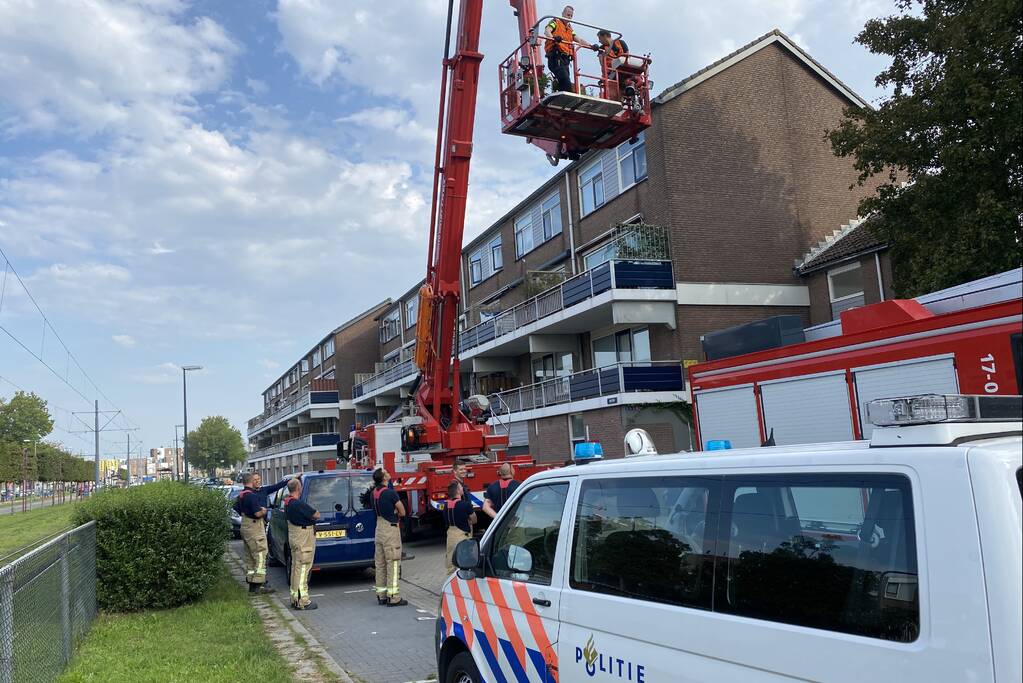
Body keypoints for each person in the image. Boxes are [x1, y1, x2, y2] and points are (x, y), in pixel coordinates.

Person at [235, 471, 297, 594]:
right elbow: (258, 513)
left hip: (247, 526)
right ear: (251, 481)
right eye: (255, 479)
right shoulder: (251, 495)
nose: (257, 481)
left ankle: (252, 583)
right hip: (255, 526)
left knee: (251, 556)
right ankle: (260, 584)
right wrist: (263, 511)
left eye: (259, 479)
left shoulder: (242, 494)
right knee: (260, 554)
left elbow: (236, 507)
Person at [371, 468, 408, 606]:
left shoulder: (373, 493)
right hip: (390, 529)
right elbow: (402, 512)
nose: (388, 473)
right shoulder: (390, 493)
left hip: (379, 528)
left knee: (380, 564)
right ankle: (393, 597)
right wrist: (395, 512)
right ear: (384, 478)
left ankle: (381, 595)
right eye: (386, 472)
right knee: (393, 562)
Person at [283, 477, 320, 610]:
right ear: (299, 488)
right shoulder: (297, 504)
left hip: (295, 536)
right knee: (303, 568)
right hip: (303, 537)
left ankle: (295, 597)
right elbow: (316, 514)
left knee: (296, 567)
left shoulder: (287, 502)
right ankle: (302, 600)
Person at [544, 5, 591, 93]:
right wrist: (553, 38)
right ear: (562, 14)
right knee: (565, 81)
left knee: (565, 81)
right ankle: (564, 96)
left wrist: (591, 46)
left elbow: (579, 40)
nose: (569, 17)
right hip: (555, 57)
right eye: (568, 15)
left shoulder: (569, 28)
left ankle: (559, 93)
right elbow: (547, 31)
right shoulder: (555, 22)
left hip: (565, 60)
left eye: (571, 16)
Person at [444, 481, 476, 575]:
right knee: (464, 562)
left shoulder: (446, 506)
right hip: (462, 537)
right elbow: (474, 519)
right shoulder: (465, 505)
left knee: (451, 560)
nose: (463, 488)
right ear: (458, 491)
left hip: (450, 536)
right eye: (461, 487)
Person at [596, 29, 629, 99]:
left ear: (605, 36)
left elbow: (627, 56)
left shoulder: (621, 43)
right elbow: (602, 62)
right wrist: (610, 45)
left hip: (624, 69)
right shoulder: (601, 48)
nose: (599, 41)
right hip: (610, 74)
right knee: (614, 96)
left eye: (600, 38)